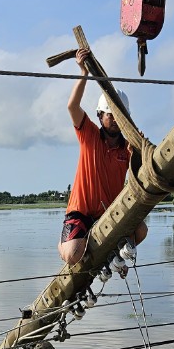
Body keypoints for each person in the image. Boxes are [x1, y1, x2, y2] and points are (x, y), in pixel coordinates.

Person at [58, 47, 148, 265]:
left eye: (119, 116)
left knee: (141, 230)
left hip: (109, 214)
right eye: (110, 115)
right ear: (100, 116)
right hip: (81, 213)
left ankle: (112, 254)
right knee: (72, 255)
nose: (115, 120)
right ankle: (71, 243)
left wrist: (140, 152)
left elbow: (139, 178)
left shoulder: (128, 148)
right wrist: (83, 74)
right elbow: (72, 106)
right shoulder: (88, 135)